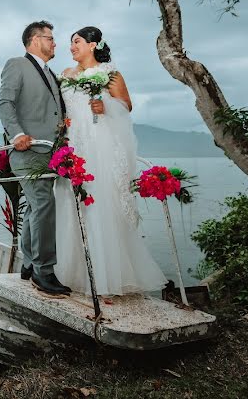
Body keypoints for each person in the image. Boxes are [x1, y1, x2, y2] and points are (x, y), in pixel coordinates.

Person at [54, 26, 167, 297]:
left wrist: (106, 107)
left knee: (100, 202)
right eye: (71, 43)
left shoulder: (111, 75)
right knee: (71, 203)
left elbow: (126, 105)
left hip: (99, 146)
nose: (72, 47)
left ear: (93, 45)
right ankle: (70, 273)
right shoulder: (66, 75)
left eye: (77, 42)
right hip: (73, 144)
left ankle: (108, 277)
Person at [0, 21, 70, 296]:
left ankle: (28, 263)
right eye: (50, 38)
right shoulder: (16, 64)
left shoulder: (51, 74)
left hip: (51, 152)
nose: (55, 43)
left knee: (34, 207)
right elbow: (5, 102)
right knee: (43, 203)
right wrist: (16, 134)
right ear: (34, 40)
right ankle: (43, 271)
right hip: (27, 151)